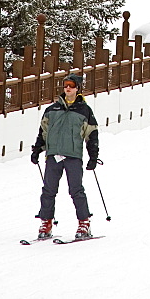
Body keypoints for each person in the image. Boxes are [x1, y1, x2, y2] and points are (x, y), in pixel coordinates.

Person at [31, 73, 99, 240]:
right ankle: (46, 222)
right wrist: (37, 149)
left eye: (71, 85)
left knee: (76, 190)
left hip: (73, 156)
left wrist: (93, 156)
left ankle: (84, 222)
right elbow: (43, 132)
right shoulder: (52, 109)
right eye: (65, 85)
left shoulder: (84, 110)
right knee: (48, 190)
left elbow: (92, 134)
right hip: (53, 155)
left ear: (77, 88)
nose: (68, 88)